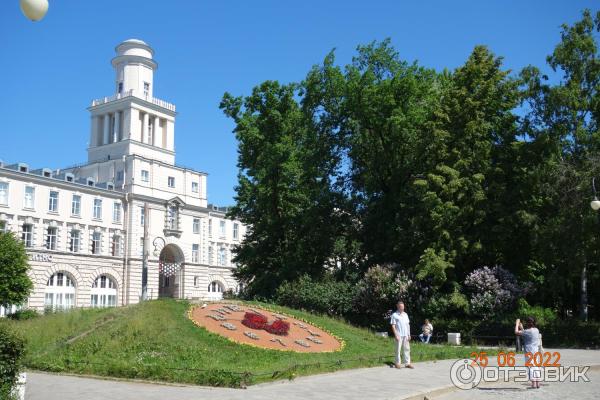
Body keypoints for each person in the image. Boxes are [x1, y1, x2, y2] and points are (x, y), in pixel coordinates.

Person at [514, 317, 541, 389]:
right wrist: (522, 328)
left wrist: (517, 324)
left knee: (530, 367)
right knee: (536, 366)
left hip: (529, 351)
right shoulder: (536, 330)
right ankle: (538, 383)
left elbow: (516, 332)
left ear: (527, 323)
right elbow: (526, 333)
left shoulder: (527, 331)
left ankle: (533, 384)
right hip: (536, 351)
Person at [390, 300, 414, 369]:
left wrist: (409, 334)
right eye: (401, 307)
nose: (402, 308)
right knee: (398, 349)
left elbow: (407, 325)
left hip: (406, 335)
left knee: (407, 349)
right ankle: (397, 363)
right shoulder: (394, 315)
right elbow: (393, 326)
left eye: (403, 307)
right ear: (397, 306)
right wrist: (396, 335)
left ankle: (407, 363)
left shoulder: (405, 314)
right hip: (399, 335)